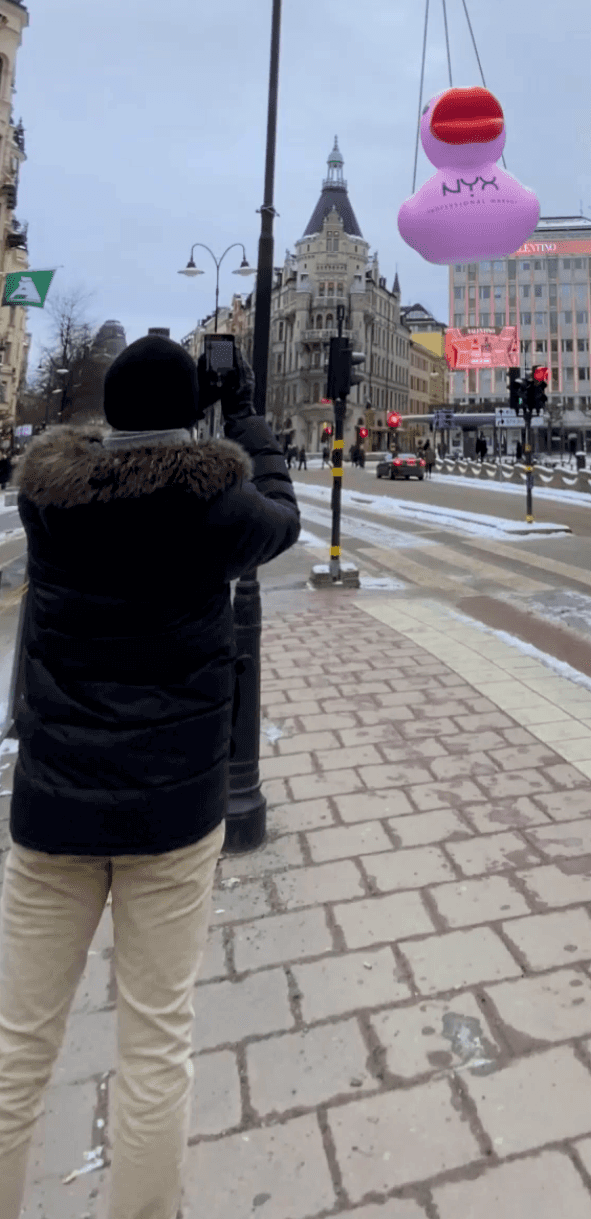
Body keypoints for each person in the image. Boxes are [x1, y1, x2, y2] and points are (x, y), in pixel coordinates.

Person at [0, 333, 300, 1219]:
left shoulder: (47, 502)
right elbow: (281, 516)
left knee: (16, 1047)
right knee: (156, 1045)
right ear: (191, 410)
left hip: (53, 807)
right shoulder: (211, 506)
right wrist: (247, 414)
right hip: (171, 812)